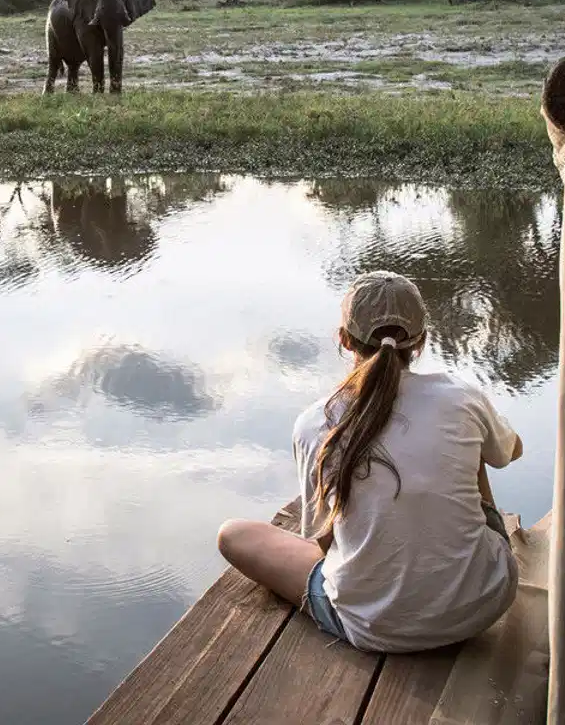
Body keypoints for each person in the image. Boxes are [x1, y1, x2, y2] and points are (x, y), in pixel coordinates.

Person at [217, 270, 524, 653]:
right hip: (483, 605)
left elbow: (322, 543)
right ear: (422, 340)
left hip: (374, 628)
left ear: (344, 340)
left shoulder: (316, 424)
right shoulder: (461, 397)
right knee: (473, 446)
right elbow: (510, 453)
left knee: (233, 534)